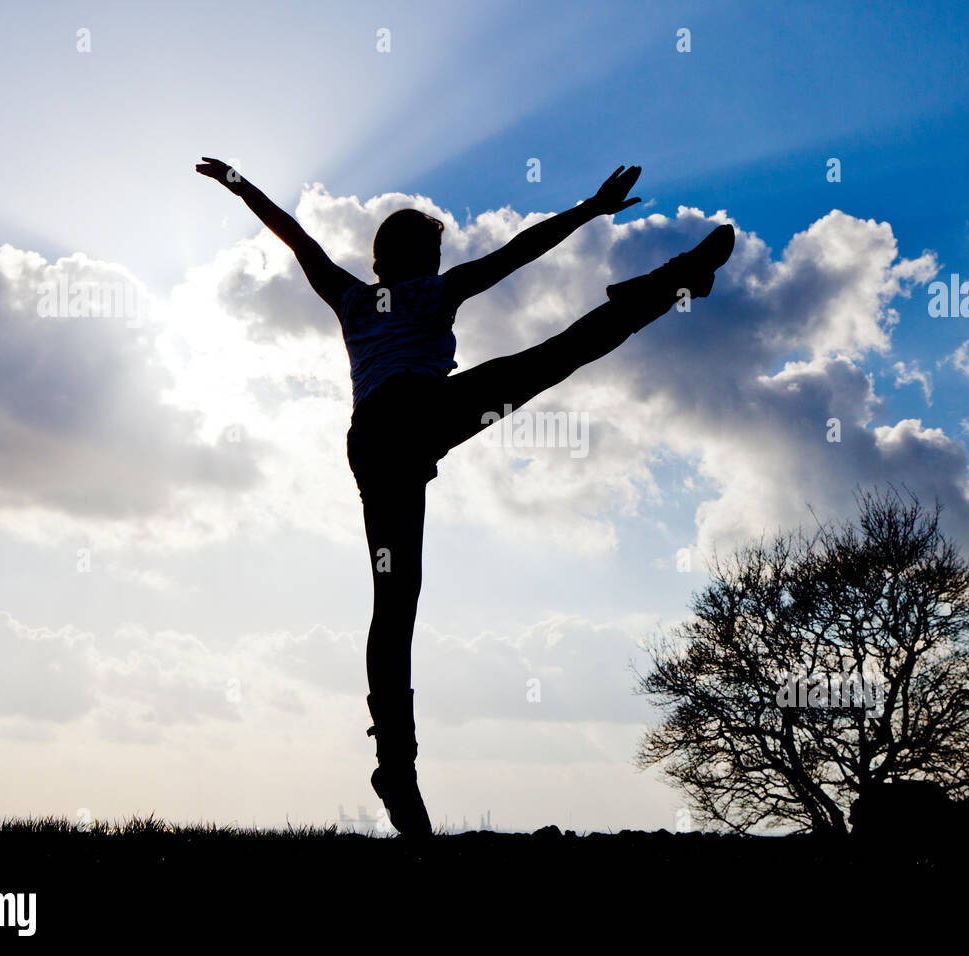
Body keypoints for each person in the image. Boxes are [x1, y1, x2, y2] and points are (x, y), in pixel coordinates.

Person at [196, 157, 735, 835]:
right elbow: (518, 253)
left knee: (394, 606)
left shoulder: (352, 296)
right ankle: (665, 288)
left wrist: (239, 185)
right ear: (405, 259)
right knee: (553, 358)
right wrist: (590, 210)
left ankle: (396, 767)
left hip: (382, 444)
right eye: (429, 253)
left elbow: (297, 237)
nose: (434, 261)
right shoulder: (433, 292)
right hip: (425, 417)